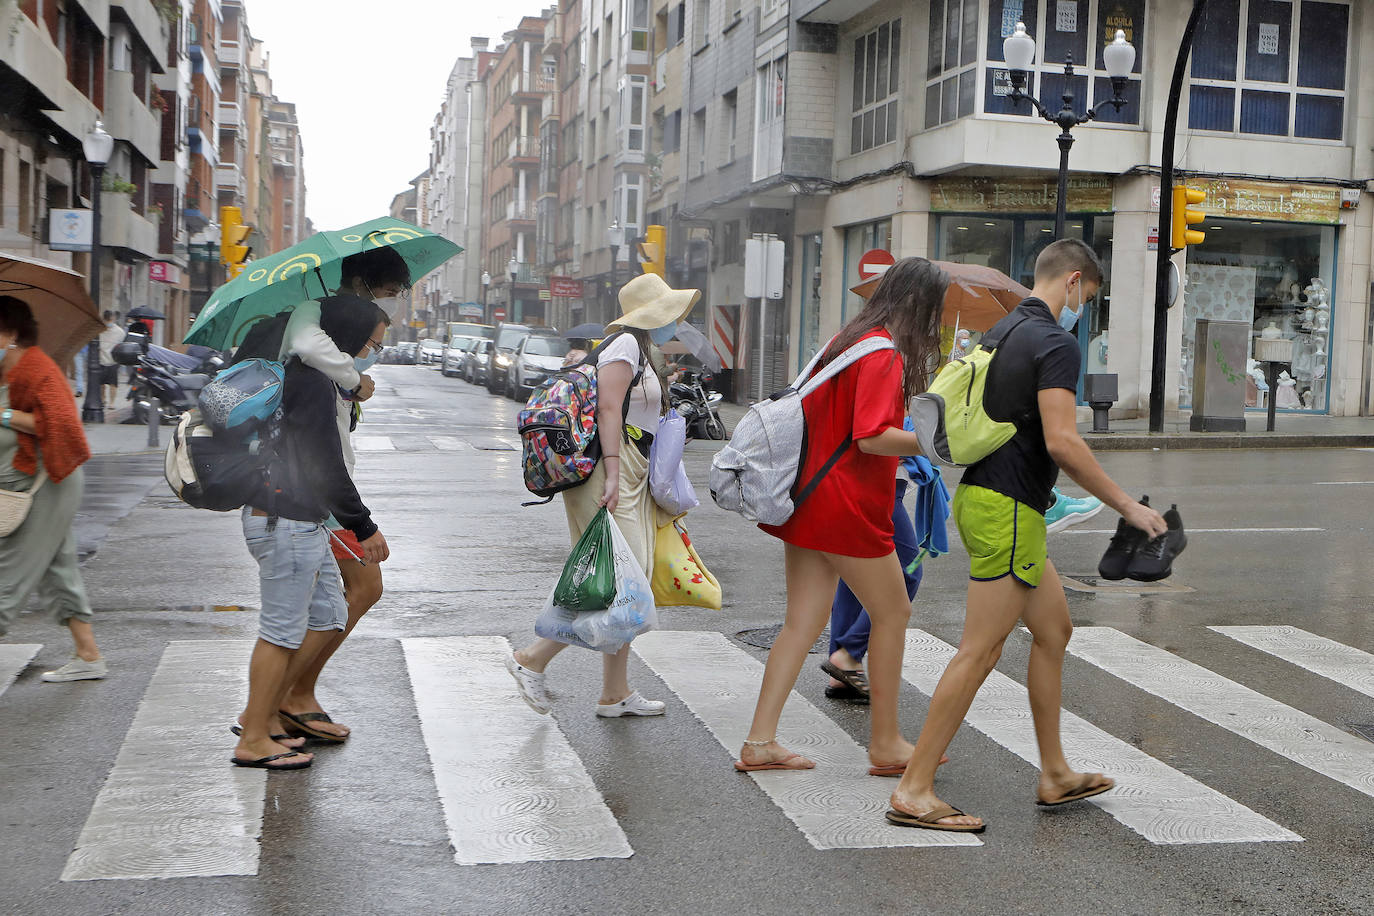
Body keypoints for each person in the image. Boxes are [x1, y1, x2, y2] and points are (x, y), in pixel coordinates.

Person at [887, 239, 1167, 833]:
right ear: (1072, 281)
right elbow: (1064, 441)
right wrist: (1125, 507)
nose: (1082, 310)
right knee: (980, 650)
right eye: (1087, 298)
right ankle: (914, 789)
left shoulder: (1004, 329)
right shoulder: (1056, 344)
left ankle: (1055, 772)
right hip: (1010, 511)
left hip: (992, 501)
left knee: (1053, 629)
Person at [739, 258, 947, 776]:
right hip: (847, 505)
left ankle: (760, 741)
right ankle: (886, 742)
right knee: (893, 613)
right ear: (922, 306)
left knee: (801, 623)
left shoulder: (847, 341)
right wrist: (936, 443)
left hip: (806, 499)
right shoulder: (884, 356)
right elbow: (872, 436)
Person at [505, 274, 699, 717]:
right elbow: (610, 408)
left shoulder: (641, 351)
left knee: (628, 579)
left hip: (631, 468)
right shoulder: (625, 346)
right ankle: (532, 659)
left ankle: (615, 693)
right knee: (620, 583)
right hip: (612, 468)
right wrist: (613, 472)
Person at [232, 295, 391, 770]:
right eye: (369, 343)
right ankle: (253, 736)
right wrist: (364, 526)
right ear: (343, 336)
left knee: (327, 615)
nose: (369, 352)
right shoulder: (311, 383)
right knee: (280, 633)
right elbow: (325, 466)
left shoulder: (316, 381)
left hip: (303, 521)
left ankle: (268, 719)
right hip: (285, 519)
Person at [273, 248, 410, 742]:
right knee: (361, 589)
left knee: (335, 599)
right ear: (365, 284)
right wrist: (353, 380)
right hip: (313, 496)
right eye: (390, 293)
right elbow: (308, 347)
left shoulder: (344, 336)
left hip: (323, 493)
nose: (391, 307)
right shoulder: (315, 320)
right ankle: (281, 699)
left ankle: (293, 696)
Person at [0, 296, 106, 681]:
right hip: (23, 486)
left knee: (7, 570)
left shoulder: (38, 370)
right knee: (57, 571)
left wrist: (6, 414)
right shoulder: (7, 372)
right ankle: (89, 656)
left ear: (11, 334)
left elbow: (62, 426)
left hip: (44, 485)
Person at [96, 311, 123, 408]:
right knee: (101, 384)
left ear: (113, 319)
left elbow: (122, 345)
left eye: (110, 320)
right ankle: (103, 400)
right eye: (107, 320)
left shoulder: (120, 332)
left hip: (113, 361)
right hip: (101, 359)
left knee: (113, 384)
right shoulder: (100, 330)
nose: (109, 322)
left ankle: (112, 403)